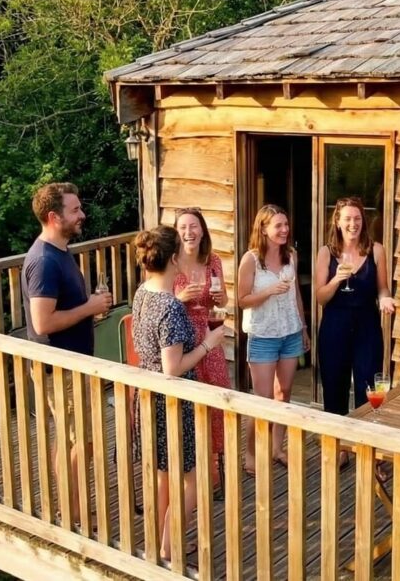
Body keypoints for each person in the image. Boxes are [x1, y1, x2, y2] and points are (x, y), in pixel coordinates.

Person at [131, 225, 227, 561]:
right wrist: (208, 343)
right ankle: (170, 549)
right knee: (195, 479)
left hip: (148, 396)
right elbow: (174, 368)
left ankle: (160, 543)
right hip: (172, 402)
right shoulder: (170, 307)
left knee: (162, 475)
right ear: (173, 258)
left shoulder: (142, 293)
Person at [22, 182, 112, 527]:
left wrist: (89, 309)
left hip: (70, 364)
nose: (82, 215)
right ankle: (72, 512)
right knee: (83, 441)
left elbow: (64, 310)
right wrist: (88, 306)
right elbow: (42, 323)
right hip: (60, 368)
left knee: (72, 439)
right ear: (52, 216)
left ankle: (70, 508)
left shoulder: (60, 252)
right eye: (74, 210)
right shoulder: (44, 261)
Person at [315, 198, 396, 466]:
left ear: (364, 221)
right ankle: (339, 447)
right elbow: (320, 297)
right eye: (347, 219)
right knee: (334, 388)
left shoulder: (377, 251)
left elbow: (382, 288)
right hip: (334, 327)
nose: (353, 224)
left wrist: (385, 298)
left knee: (369, 389)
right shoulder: (326, 253)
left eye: (357, 219)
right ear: (337, 222)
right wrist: (337, 280)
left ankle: (367, 449)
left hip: (367, 326)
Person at [237, 204, 308, 474]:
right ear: (264, 229)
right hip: (263, 336)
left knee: (284, 393)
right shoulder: (251, 259)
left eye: (286, 225)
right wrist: (268, 291)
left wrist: (302, 328)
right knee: (262, 399)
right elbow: (243, 301)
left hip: (289, 332)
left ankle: (278, 448)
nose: (284, 230)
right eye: (278, 225)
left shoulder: (291, 255)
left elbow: (296, 295)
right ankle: (251, 453)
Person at [172, 207, 231, 493]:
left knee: (215, 398)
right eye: (183, 227)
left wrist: (221, 297)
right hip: (181, 338)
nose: (189, 232)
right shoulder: (169, 262)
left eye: (194, 226)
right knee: (189, 403)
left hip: (209, 334)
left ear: (202, 230)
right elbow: (161, 300)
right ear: (176, 231)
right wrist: (179, 298)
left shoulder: (213, 260)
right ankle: (191, 464)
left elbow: (222, 300)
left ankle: (213, 462)